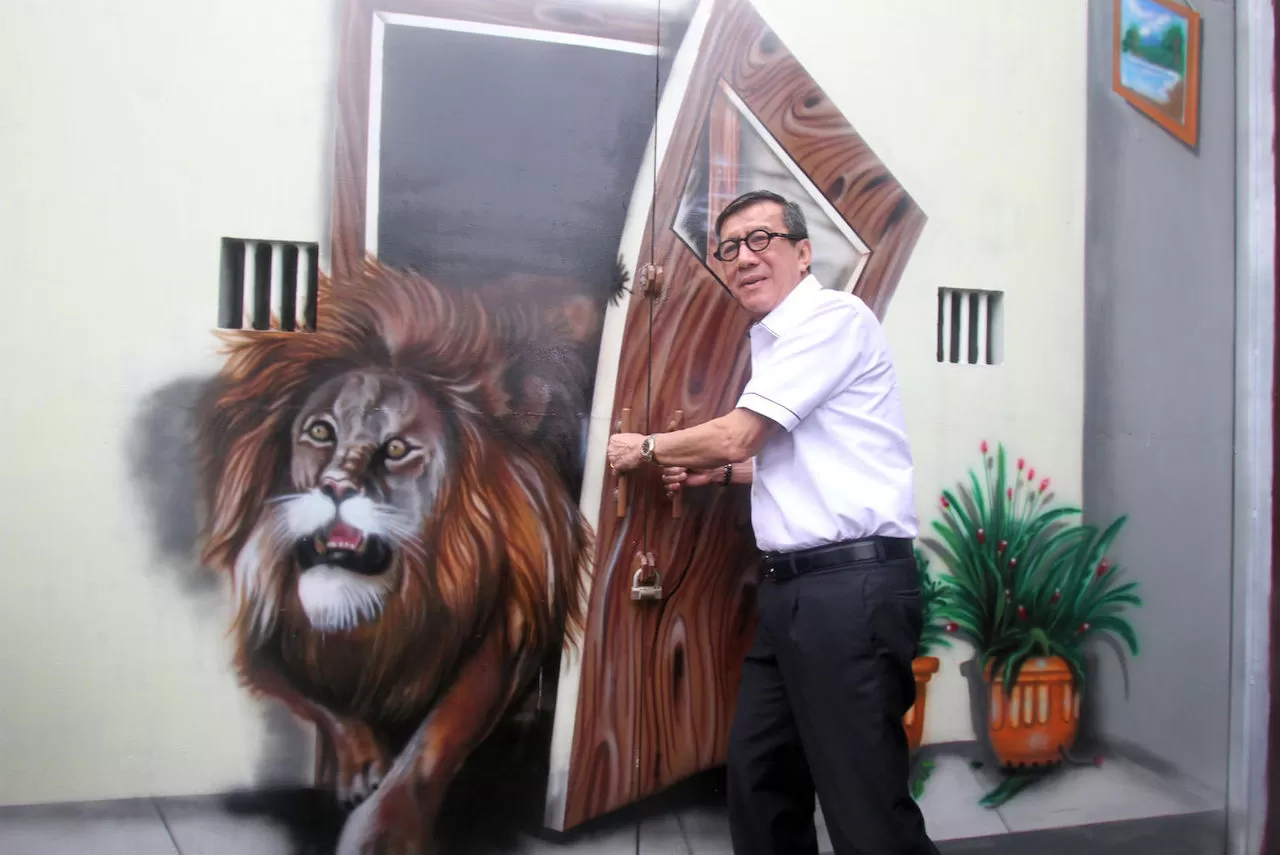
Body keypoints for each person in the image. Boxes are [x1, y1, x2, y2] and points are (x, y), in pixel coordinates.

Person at [606, 189, 939, 855]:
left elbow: (739, 434)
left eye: (762, 239)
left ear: (803, 252)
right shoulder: (779, 341)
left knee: (866, 813)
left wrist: (645, 448)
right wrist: (718, 475)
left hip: (847, 595)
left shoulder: (831, 319)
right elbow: (806, 462)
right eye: (730, 247)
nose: (744, 257)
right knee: (762, 785)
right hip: (793, 594)